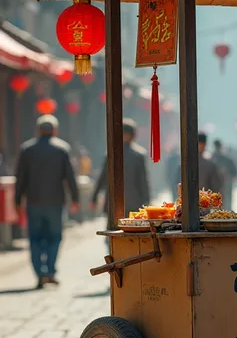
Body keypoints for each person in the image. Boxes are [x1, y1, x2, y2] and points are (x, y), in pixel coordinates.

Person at [15, 115, 79, 289]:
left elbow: (20, 178)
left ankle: (40, 273)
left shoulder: (27, 149)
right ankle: (50, 271)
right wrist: (75, 198)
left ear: (38, 130)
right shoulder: (62, 149)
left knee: (35, 239)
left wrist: (17, 200)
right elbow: (70, 177)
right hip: (55, 202)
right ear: (55, 131)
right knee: (54, 237)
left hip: (33, 202)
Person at [91, 118, 151, 217]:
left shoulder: (111, 153)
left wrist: (94, 197)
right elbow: (143, 180)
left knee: (113, 230)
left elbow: (103, 177)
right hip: (134, 202)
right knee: (131, 230)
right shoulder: (139, 155)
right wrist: (147, 200)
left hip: (114, 202)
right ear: (133, 135)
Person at [213, 140, 237, 209]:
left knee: (225, 200)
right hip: (218, 183)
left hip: (225, 182)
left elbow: (234, 173)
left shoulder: (212, 158)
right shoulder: (227, 159)